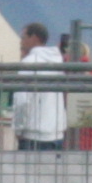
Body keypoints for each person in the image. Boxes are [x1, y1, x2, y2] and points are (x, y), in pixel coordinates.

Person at [14, 22, 68, 152]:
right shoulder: (58, 62)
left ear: (34, 37)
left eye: (23, 37)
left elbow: (22, 101)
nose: (21, 42)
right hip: (56, 133)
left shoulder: (28, 63)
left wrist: (18, 128)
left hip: (33, 135)